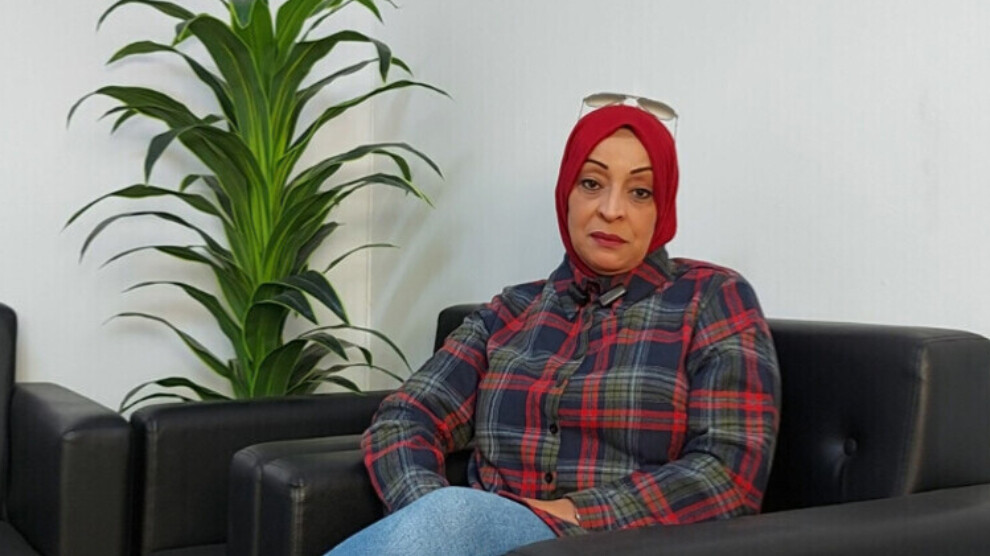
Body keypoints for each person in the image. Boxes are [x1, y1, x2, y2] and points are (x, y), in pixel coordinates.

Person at [326, 97, 781, 556]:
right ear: (567, 193)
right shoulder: (509, 311)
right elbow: (405, 418)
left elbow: (727, 476)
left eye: (640, 192)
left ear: (663, 207)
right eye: (592, 183)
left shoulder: (712, 298)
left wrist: (569, 513)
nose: (612, 210)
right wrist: (431, 511)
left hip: (622, 546)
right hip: (479, 539)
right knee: (453, 514)